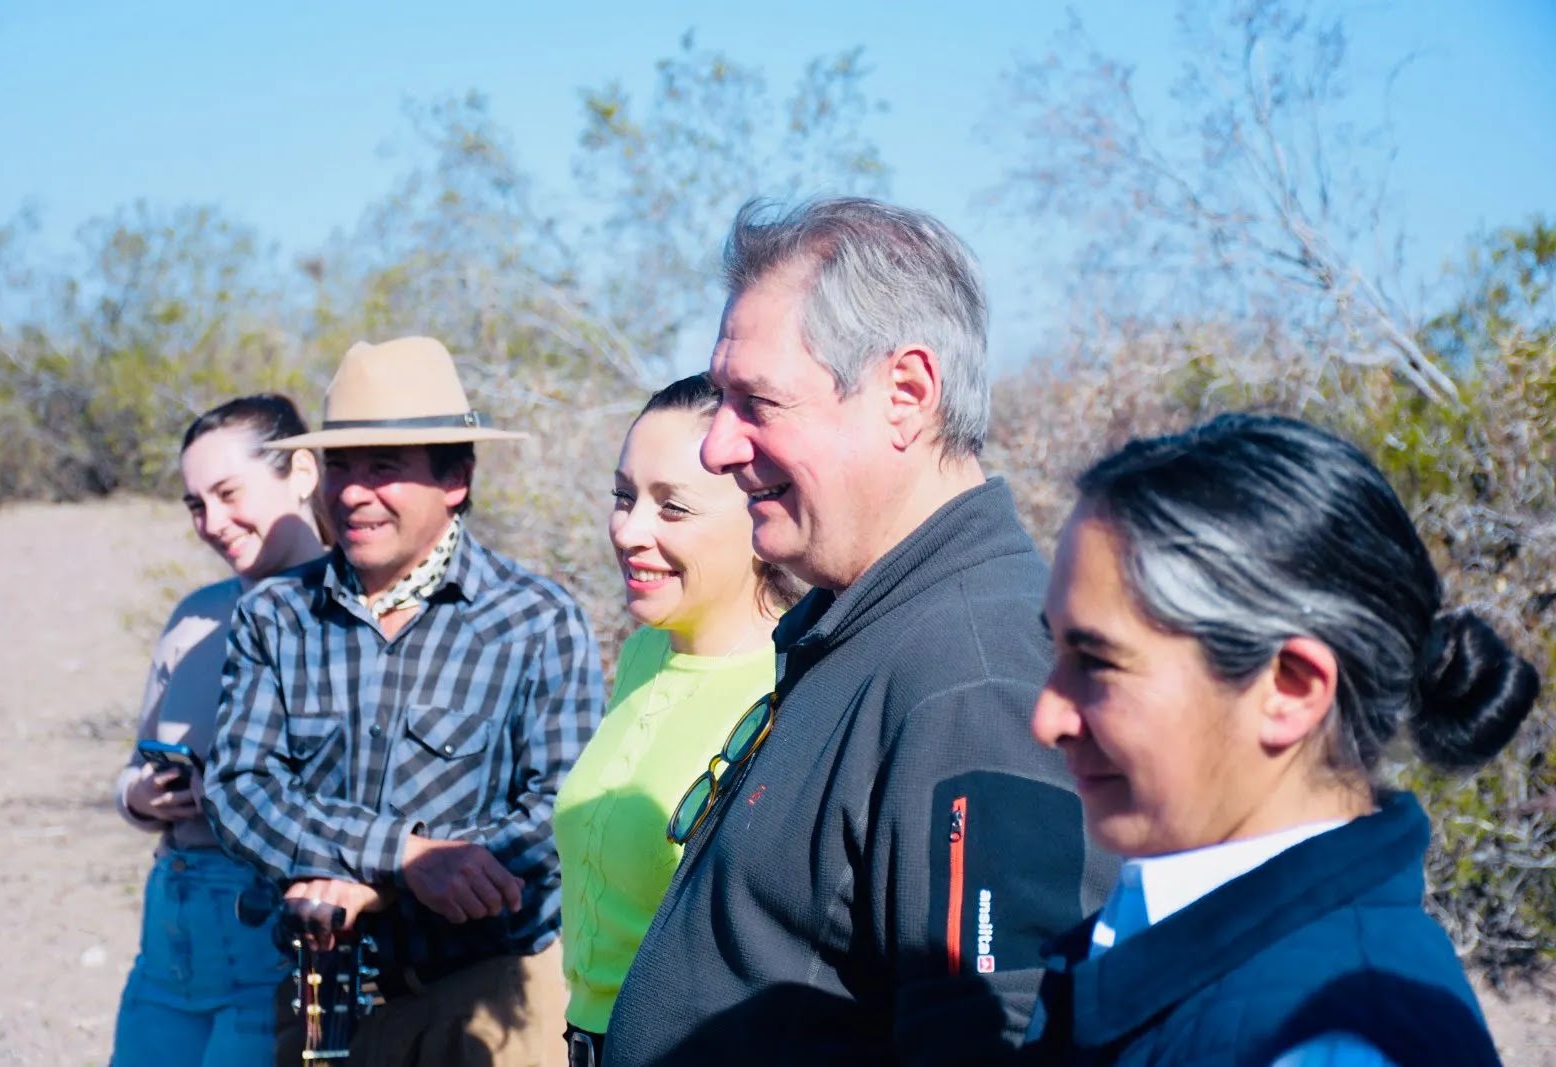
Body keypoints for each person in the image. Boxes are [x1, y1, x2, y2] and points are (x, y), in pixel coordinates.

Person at [604, 198, 1117, 1066]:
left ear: (906, 395)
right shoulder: (867, 622)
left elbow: (996, 1037)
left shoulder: (975, 678)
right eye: (721, 399)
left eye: (758, 402)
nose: (719, 447)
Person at [1023, 413, 1540, 1066]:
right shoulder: (1155, 934)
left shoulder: (1335, 1042)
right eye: (1057, 651)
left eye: (1097, 662)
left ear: (1290, 688)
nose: (1047, 718)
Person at [202, 336, 605, 1067]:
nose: (353, 493)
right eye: (341, 467)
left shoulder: (535, 619)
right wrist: (404, 856)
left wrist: (395, 882)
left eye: (384, 467)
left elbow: (562, 811)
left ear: (456, 478)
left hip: (491, 1004)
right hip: (322, 1002)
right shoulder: (276, 616)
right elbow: (238, 789)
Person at [551, 373, 803, 1066]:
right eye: (623, 497)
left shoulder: (794, 683)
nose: (629, 530)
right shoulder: (643, 652)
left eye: (673, 508)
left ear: (758, 513)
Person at [110, 394, 327, 1066]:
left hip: (268, 940)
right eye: (196, 505)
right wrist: (139, 795)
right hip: (168, 936)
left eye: (229, 493)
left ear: (301, 472)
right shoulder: (194, 616)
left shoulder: (347, 614)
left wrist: (239, 801)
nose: (212, 522)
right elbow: (136, 761)